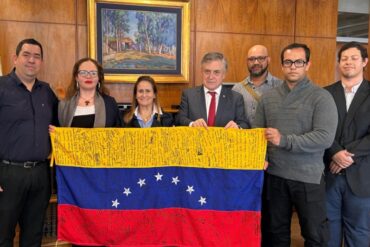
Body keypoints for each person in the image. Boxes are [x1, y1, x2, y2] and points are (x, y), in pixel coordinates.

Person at [253, 43, 338, 246]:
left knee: (315, 234)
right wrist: (261, 158)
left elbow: (324, 137)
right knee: (275, 233)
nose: (293, 66)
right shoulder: (268, 98)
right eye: (288, 62)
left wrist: (284, 140)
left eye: (298, 62)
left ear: (308, 65)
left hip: (308, 178)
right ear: (282, 66)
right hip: (274, 177)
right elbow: (256, 135)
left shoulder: (321, 97)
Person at [0, 38, 58, 247]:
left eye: (37, 56)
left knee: (33, 236)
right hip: (8, 175)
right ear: (15, 58)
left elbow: (61, 126)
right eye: (26, 55)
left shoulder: (47, 91)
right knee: (2, 235)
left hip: (41, 175)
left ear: (41, 62)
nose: (31, 60)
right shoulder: (2, 87)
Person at [324, 41, 370, 247]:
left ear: (364, 62)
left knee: (359, 234)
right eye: (344, 59)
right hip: (329, 177)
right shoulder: (324, 94)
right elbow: (318, 129)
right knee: (328, 233)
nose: (348, 62)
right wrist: (334, 152)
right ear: (338, 63)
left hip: (361, 177)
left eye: (354, 58)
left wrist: (345, 155)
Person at [175, 52, 249, 129]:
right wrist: (192, 124)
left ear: (224, 74)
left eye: (216, 72)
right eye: (207, 71)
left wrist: (237, 127)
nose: (211, 77)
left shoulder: (236, 98)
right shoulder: (188, 95)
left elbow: (244, 124)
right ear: (201, 72)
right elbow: (179, 119)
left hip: (225, 140)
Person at [58, 58, 122, 128]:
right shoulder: (64, 104)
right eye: (83, 72)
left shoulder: (110, 103)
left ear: (99, 78)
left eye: (93, 73)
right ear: (76, 77)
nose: (88, 76)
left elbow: (119, 133)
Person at [232, 44, 282, 124]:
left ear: (268, 60)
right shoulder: (237, 89)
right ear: (247, 61)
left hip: (270, 136)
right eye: (251, 59)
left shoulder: (281, 87)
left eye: (260, 58)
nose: (256, 62)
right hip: (244, 136)